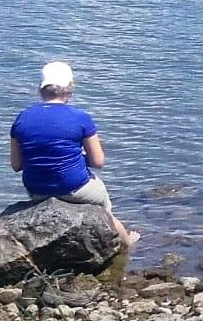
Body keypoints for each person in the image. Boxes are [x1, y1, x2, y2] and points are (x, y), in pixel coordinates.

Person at [9, 61, 138, 247]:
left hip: (35, 188)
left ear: (41, 89)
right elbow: (98, 161)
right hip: (73, 186)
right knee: (104, 204)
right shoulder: (80, 118)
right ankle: (126, 242)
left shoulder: (22, 118)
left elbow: (16, 165)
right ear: (69, 89)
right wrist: (76, 158)